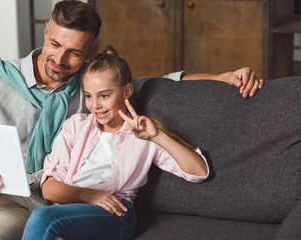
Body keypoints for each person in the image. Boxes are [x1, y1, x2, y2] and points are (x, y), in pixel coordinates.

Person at [0, 0, 262, 239]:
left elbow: (158, 82)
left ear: (90, 52)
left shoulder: (90, 88)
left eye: (75, 53)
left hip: (19, 203)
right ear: (46, 31)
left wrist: (221, 76)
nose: (60, 60)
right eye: (55, 44)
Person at [21, 45, 209, 240]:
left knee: (42, 218)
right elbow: (49, 188)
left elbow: (199, 172)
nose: (95, 105)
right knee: (46, 220)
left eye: (104, 95)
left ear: (127, 91)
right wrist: (91, 195)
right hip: (71, 211)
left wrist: (157, 136)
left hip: (116, 213)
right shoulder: (76, 126)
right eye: (88, 96)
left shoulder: (143, 136)